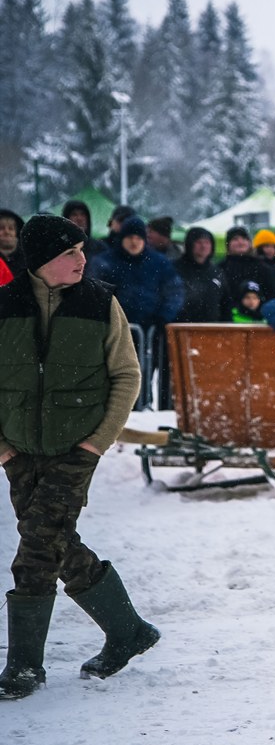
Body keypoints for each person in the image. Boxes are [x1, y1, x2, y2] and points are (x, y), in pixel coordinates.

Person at [1, 215, 157, 701]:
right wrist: (3, 448)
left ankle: (24, 667)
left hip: (77, 448)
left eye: (82, 250)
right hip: (17, 449)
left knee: (36, 547)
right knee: (53, 539)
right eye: (70, 252)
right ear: (43, 259)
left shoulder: (100, 303)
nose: (82, 260)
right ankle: (128, 630)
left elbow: (127, 375)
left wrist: (96, 442)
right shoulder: (4, 305)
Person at [89, 215, 182, 410]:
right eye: (130, 237)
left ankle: (142, 405)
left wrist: (163, 317)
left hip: (149, 331)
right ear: (122, 238)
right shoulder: (105, 262)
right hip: (116, 331)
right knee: (116, 372)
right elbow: (94, 292)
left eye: (138, 238)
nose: (134, 242)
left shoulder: (158, 263)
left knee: (144, 372)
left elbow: (174, 292)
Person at [215, 227, 275, 318]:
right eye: (235, 239)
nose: (240, 242)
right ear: (228, 244)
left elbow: (273, 295)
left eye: (244, 239)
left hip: (259, 320)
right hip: (228, 320)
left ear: (249, 243)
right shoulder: (220, 268)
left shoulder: (263, 267)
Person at [172, 226, 224, 325]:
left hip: (212, 327)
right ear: (190, 244)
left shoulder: (216, 271)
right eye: (199, 242)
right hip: (181, 326)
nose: (203, 246)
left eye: (207, 242)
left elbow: (225, 302)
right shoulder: (175, 269)